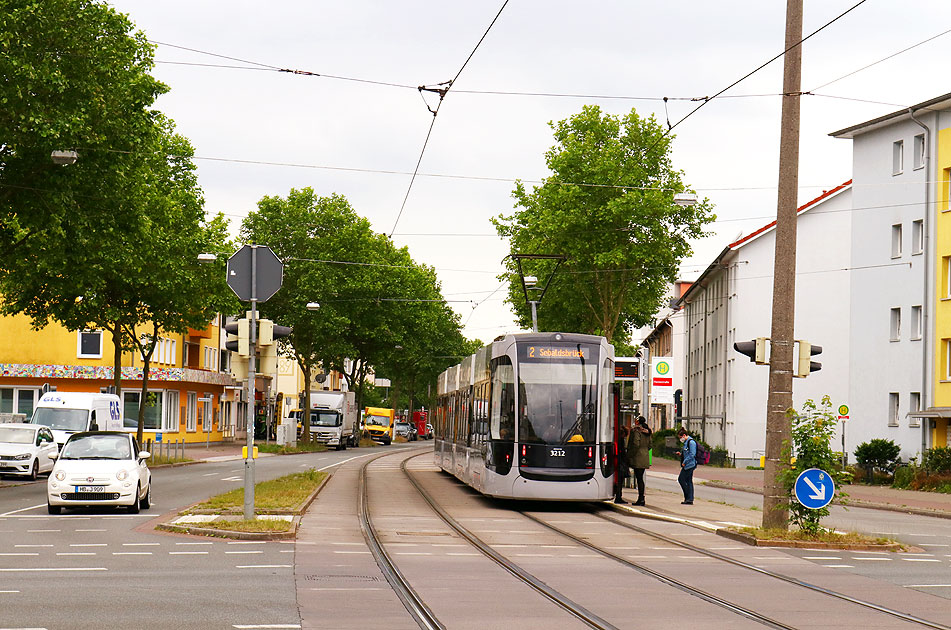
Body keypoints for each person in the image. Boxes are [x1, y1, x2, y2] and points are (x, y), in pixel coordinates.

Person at [626, 416, 652, 506]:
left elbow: (635, 444)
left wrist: (630, 455)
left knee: (639, 478)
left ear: (637, 422)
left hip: (638, 457)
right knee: (640, 478)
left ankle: (641, 499)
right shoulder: (648, 432)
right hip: (645, 456)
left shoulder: (637, 431)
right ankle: (641, 498)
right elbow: (650, 445)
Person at [674, 427, 697, 504]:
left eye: (681, 437)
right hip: (687, 464)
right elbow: (686, 453)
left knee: (681, 479)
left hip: (689, 465)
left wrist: (685, 461)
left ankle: (688, 497)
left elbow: (692, 454)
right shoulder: (686, 442)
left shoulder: (691, 442)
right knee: (688, 481)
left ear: (684, 435)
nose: (680, 439)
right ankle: (689, 498)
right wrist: (681, 455)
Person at [614, 425, 630, 504]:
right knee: (620, 481)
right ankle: (618, 496)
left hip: (619, 462)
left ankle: (618, 496)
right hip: (621, 463)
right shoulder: (621, 441)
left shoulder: (617, 440)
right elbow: (622, 452)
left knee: (619, 480)